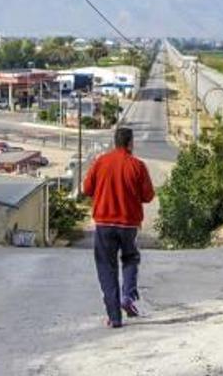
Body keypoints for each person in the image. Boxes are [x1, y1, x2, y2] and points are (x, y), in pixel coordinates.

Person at [83, 127, 155, 328]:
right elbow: (148, 196)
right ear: (130, 143)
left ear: (115, 142)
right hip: (128, 223)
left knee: (106, 267)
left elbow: (87, 189)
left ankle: (114, 317)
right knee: (131, 258)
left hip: (104, 223)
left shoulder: (101, 162)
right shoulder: (138, 166)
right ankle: (128, 296)